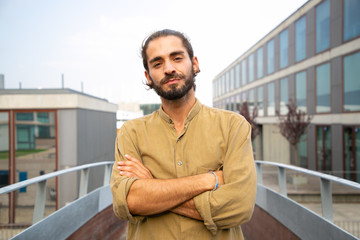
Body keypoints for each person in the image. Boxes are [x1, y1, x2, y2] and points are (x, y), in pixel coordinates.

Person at [111, 29, 256, 240]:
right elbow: (128, 201)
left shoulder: (232, 126)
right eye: (157, 63)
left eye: (177, 58)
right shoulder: (131, 133)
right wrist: (209, 180)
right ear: (148, 77)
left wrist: (152, 187)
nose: (169, 69)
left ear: (194, 64)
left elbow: (239, 206)